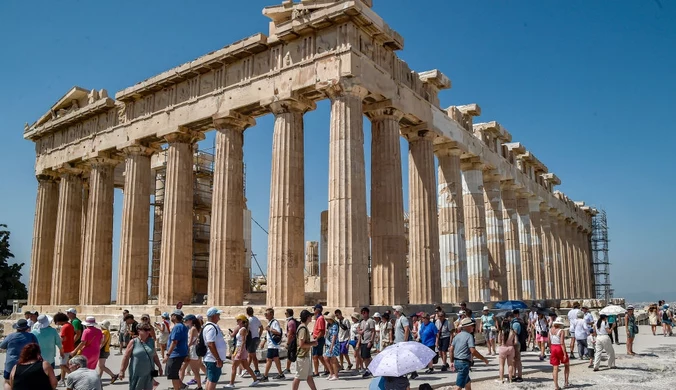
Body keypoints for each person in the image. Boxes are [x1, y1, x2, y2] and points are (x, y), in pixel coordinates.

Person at [119, 323, 163, 390]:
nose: (148, 332)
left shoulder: (151, 341)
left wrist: (159, 367)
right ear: (139, 330)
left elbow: (155, 355)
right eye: (145, 330)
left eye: (149, 329)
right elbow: (126, 357)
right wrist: (122, 371)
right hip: (136, 373)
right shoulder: (133, 342)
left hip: (149, 373)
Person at [449, 318, 488, 390]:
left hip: (457, 361)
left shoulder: (457, 336)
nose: (473, 327)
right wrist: (483, 358)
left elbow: (451, 349)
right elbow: (473, 351)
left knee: (467, 383)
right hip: (464, 363)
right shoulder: (469, 336)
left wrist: (451, 361)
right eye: (472, 325)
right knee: (458, 386)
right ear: (467, 327)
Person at [1, 318, 39, 388]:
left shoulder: (10, 336)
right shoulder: (31, 336)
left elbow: (2, 346)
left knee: (8, 382)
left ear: (17, 328)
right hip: (26, 363)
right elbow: (37, 348)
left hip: (11, 363)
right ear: (26, 328)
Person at [224, 314, 260, 388]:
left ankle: (231, 383)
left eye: (238, 320)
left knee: (234, 367)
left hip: (240, 349)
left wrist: (240, 352)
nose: (237, 321)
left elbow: (243, 341)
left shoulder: (243, 329)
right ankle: (255, 380)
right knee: (246, 366)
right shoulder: (241, 329)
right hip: (240, 348)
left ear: (242, 321)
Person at [292, 310, 318, 390]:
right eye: (310, 316)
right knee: (298, 377)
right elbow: (301, 344)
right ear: (307, 317)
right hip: (302, 356)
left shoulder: (304, 327)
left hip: (305, 356)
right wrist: (312, 344)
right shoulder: (303, 329)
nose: (311, 317)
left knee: (309, 376)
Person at [203, 308, 228, 390]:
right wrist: (218, 358)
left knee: (210, 380)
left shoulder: (211, 326)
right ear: (213, 316)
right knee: (212, 381)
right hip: (213, 359)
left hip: (211, 358)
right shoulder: (211, 328)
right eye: (218, 315)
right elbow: (210, 343)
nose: (219, 317)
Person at [163, 310, 189, 390]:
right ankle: (181, 385)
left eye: (172, 315)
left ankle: (177, 388)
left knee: (172, 373)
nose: (171, 317)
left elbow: (174, 342)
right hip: (180, 353)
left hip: (176, 354)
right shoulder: (183, 326)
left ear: (175, 316)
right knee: (171, 372)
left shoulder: (177, 327)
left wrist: (167, 355)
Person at [260, 308, 285, 382]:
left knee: (269, 360)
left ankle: (265, 376)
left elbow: (278, 332)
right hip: (272, 344)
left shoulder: (274, 322)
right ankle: (281, 374)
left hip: (273, 345)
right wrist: (264, 341)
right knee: (276, 359)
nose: (265, 315)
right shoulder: (270, 322)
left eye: (266, 314)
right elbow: (268, 334)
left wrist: (269, 329)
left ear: (271, 314)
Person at [179, 314, 203, 388]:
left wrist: (185, 349)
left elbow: (190, 341)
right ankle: (178, 385)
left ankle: (199, 386)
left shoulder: (193, 329)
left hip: (192, 350)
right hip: (191, 349)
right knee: (182, 368)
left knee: (194, 370)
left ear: (191, 321)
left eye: (186, 320)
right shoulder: (193, 328)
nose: (185, 321)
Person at [53, 312, 75, 386]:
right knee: (65, 365)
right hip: (70, 347)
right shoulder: (70, 325)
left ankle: (75, 377)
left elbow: (63, 339)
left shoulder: (64, 327)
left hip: (65, 348)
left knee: (62, 365)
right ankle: (62, 380)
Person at [549, 318, 570, 390]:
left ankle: (556, 386)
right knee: (566, 364)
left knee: (555, 368)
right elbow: (562, 342)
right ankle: (566, 382)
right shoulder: (561, 331)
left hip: (553, 347)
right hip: (559, 347)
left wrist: (550, 349)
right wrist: (564, 353)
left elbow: (549, 341)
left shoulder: (550, 330)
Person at [357, 307, 376, 378]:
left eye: (364, 313)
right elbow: (359, 330)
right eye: (362, 313)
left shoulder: (370, 321)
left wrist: (371, 341)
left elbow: (373, 331)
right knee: (364, 357)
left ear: (367, 313)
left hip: (368, 341)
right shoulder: (362, 322)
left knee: (366, 357)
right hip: (363, 341)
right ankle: (371, 368)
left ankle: (369, 370)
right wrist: (359, 331)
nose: (363, 314)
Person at [497, 317, 516, 384]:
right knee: (510, 364)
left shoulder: (501, 332)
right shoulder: (512, 331)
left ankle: (501, 379)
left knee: (501, 365)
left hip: (503, 348)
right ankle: (510, 379)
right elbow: (515, 342)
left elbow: (499, 341)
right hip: (510, 348)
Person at [246, 306, 263, 377]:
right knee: (250, 355)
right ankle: (247, 369)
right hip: (256, 338)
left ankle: (257, 370)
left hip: (251, 339)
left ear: (247, 312)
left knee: (253, 356)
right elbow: (261, 328)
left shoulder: (248, 320)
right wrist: (259, 335)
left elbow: (247, 330)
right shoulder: (256, 319)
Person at [322, 313, 340, 380]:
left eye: (327, 319)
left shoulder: (335, 326)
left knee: (333, 360)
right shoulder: (330, 325)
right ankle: (331, 373)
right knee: (326, 358)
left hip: (334, 344)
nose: (326, 320)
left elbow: (334, 337)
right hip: (329, 344)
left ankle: (336, 375)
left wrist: (332, 346)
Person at [311, 304, 327, 376]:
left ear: (317, 310)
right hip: (318, 338)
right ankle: (328, 369)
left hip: (319, 339)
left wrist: (316, 339)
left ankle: (316, 372)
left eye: (314, 309)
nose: (313, 311)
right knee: (320, 356)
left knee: (315, 356)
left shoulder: (320, 319)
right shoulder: (318, 318)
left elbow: (321, 331)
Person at [284, 309, 298, 374]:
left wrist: (287, 343)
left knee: (292, 354)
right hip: (293, 340)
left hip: (292, 340)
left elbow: (290, 333)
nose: (285, 314)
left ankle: (288, 368)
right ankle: (287, 368)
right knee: (290, 354)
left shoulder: (291, 322)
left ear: (288, 314)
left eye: (285, 313)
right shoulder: (291, 321)